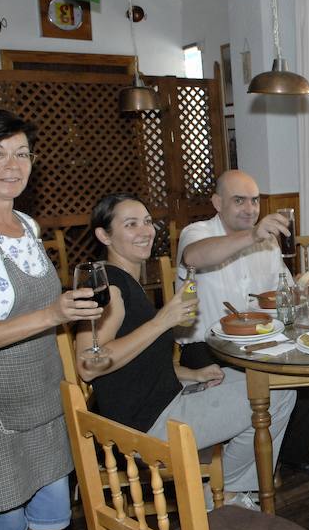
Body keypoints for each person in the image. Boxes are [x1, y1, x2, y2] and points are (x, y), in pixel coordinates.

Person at [0, 109, 102, 530]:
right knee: (4, 525)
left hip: (42, 397)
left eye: (22, 153)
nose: (12, 165)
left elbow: (44, 319)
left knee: (52, 514)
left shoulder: (28, 226)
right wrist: (52, 312)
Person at [76, 193, 296, 509]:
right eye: (131, 224)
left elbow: (138, 359)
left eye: (147, 222)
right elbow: (88, 364)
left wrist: (193, 374)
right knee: (279, 394)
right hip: (146, 426)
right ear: (104, 235)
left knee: (268, 379)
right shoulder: (107, 287)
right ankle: (225, 493)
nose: (145, 231)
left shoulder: (127, 281)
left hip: (166, 399)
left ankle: (225, 487)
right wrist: (162, 321)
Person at [176, 170, 309, 475]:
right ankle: (243, 474)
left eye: (255, 201)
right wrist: (252, 235)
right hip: (205, 348)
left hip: (260, 342)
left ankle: (288, 454)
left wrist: (307, 286)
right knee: (262, 391)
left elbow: (286, 293)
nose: (250, 208)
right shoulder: (197, 232)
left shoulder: (269, 244)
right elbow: (194, 257)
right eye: (239, 200)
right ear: (217, 202)